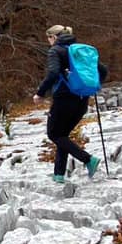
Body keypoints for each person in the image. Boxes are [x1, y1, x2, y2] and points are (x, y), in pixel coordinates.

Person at [33, 25, 108, 183]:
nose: (48, 42)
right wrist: (92, 85)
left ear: (54, 37)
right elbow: (103, 70)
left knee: (54, 134)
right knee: (62, 135)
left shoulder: (56, 50)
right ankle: (59, 175)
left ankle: (88, 160)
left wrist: (40, 93)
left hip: (63, 99)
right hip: (82, 99)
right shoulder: (80, 51)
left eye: (48, 38)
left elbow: (53, 73)